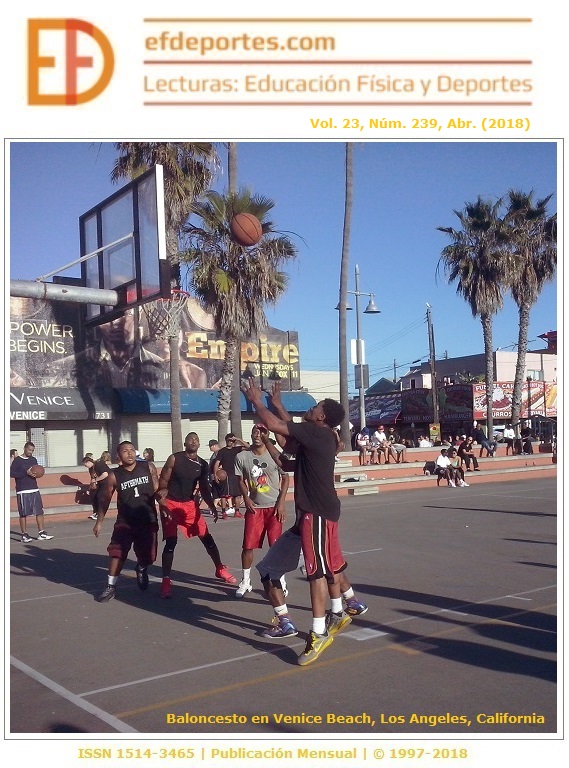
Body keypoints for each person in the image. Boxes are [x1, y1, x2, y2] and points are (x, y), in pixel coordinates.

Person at [242, 378, 367, 665]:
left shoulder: (319, 435)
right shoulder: (316, 437)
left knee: (316, 572)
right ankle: (342, 607)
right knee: (323, 566)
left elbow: (279, 427)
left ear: (321, 417)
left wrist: (257, 402)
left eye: (315, 406)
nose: (310, 408)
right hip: (312, 515)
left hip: (317, 514)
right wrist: (276, 405)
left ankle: (319, 631)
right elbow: (287, 452)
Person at [156, 432, 236, 599]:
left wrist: (212, 506)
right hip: (171, 502)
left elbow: (204, 488)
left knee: (206, 537)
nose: (194, 441)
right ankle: (166, 579)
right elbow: (163, 479)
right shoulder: (174, 458)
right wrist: (162, 492)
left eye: (196, 439)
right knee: (171, 542)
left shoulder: (202, 464)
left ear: (199, 444)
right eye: (191, 439)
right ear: (185, 443)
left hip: (189, 505)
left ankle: (220, 568)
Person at [93, 441, 159, 602]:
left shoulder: (148, 467)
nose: (129, 453)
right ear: (118, 456)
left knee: (150, 556)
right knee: (117, 553)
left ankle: (142, 567)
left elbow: (157, 491)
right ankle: (110, 587)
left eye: (131, 450)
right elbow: (105, 499)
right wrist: (99, 521)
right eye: (125, 451)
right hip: (125, 521)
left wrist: (167, 509)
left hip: (147, 519)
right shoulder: (114, 476)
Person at [233, 424, 290, 598]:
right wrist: (246, 498)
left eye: (261, 432)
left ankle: (280, 581)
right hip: (255, 508)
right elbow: (240, 480)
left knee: (276, 547)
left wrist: (281, 503)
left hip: (273, 507)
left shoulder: (275, 456)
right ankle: (246, 581)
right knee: (248, 547)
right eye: (254, 432)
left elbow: (286, 478)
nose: (257, 435)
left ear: (266, 435)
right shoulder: (242, 456)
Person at [10, 442, 54, 542]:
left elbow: (37, 471)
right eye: (29, 450)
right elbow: (11, 473)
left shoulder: (33, 459)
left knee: (39, 511)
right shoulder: (17, 461)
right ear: (24, 448)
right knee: (23, 514)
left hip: (34, 488)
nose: (31, 452)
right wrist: (25, 473)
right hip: (22, 490)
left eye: (32, 450)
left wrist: (36, 474)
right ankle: (24, 535)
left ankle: (41, 533)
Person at [212, 433, 249, 517]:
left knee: (238, 494)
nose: (230, 442)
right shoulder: (222, 451)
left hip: (236, 474)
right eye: (229, 440)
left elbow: (248, 447)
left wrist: (239, 439)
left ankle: (237, 511)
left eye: (232, 440)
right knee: (224, 495)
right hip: (226, 475)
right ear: (226, 441)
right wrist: (215, 474)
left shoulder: (237, 449)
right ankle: (224, 512)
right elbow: (217, 463)